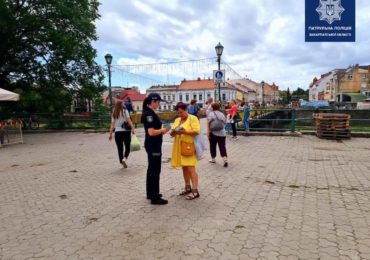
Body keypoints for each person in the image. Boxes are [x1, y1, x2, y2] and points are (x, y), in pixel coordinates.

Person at [141, 93, 170, 205]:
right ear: (153, 101)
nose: (159, 104)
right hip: (153, 145)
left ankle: (150, 193)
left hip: (152, 145)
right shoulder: (149, 114)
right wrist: (163, 130)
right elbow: (151, 132)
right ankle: (155, 197)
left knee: (151, 169)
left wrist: (162, 129)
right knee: (155, 170)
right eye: (158, 102)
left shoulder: (150, 112)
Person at [170, 102, 200, 200]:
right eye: (178, 113)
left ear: (186, 110)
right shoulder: (177, 120)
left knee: (191, 168)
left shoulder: (193, 118)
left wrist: (184, 131)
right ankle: (187, 187)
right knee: (184, 168)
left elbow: (196, 131)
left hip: (188, 147)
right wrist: (173, 132)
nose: (180, 114)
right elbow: (172, 133)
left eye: (181, 112)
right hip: (179, 146)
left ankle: (195, 191)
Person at [109, 100, 136, 168]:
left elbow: (112, 125)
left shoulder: (114, 113)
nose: (124, 104)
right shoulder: (125, 111)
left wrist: (110, 134)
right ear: (121, 105)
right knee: (127, 147)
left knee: (120, 148)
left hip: (118, 132)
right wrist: (133, 129)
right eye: (123, 103)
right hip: (126, 132)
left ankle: (121, 162)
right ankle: (124, 158)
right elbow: (129, 121)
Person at [207, 102, 228, 167]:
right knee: (222, 146)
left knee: (212, 146)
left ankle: (213, 159)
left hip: (213, 133)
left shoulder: (211, 114)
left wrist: (208, 132)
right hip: (222, 133)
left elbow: (208, 123)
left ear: (212, 108)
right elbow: (225, 122)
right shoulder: (222, 114)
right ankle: (225, 159)